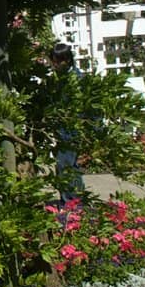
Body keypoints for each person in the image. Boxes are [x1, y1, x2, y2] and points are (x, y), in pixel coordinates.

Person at [49, 41, 85, 204]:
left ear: (67, 60)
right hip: (63, 130)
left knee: (66, 167)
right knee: (69, 166)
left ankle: (70, 202)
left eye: (58, 61)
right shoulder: (58, 79)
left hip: (72, 130)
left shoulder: (77, 79)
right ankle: (74, 201)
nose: (55, 65)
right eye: (53, 61)